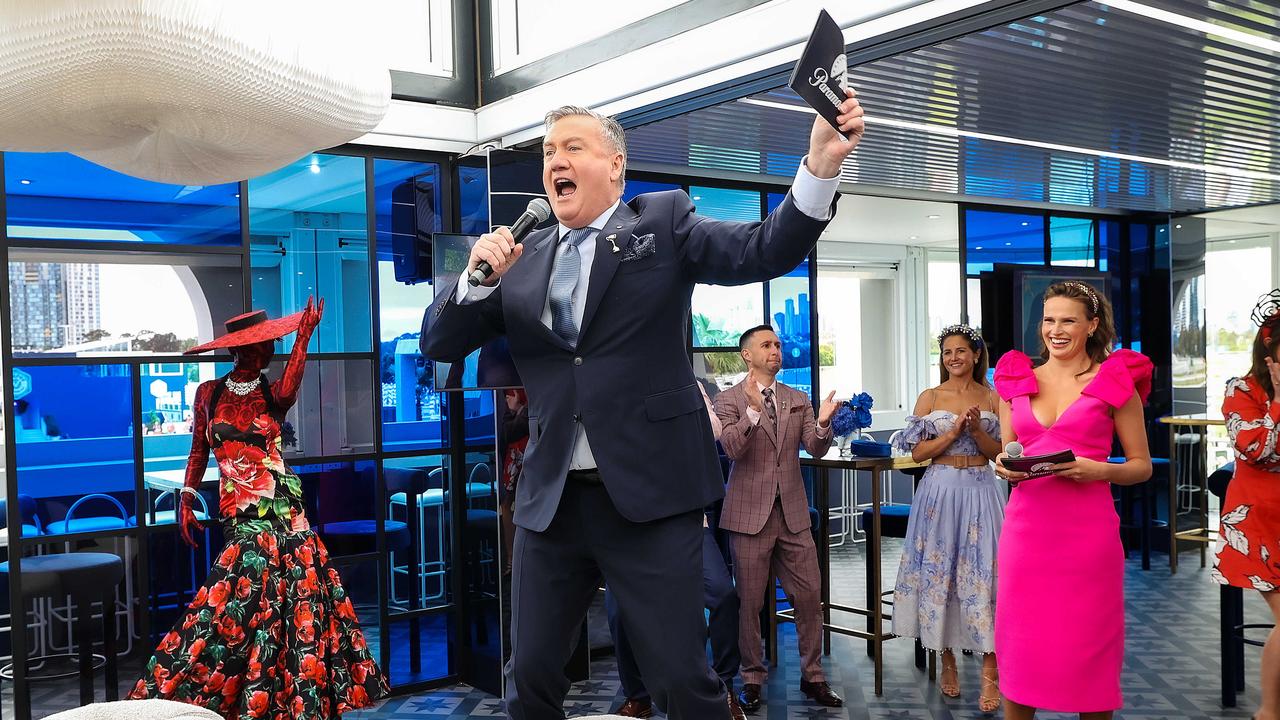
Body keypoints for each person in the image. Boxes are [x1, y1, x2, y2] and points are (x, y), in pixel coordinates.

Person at [420, 94, 863, 720]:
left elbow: (763, 249)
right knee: (529, 679)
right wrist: (474, 281)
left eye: (573, 147)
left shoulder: (662, 223)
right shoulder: (521, 263)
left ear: (616, 167)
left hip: (651, 498)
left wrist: (818, 168)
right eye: (549, 152)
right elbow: (438, 342)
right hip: (550, 503)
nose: (556, 162)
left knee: (681, 678)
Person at [129, 299, 389, 718]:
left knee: (294, 604)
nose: (269, 350)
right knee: (234, 606)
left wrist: (303, 336)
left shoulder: (273, 391)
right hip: (240, 513)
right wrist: (186, 498)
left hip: (285, 514)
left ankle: (289, 704)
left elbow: (290, 388)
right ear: (241, 349)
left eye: (271, 344)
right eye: (263, 344)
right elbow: (198, 450)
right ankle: (220, 699)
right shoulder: (208, 393)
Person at [992, 281, 1152, 719]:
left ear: (1092, 325)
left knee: (1088, 655)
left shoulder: (1114, 379)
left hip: (1087, 539)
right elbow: (1011, 450)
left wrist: (1100, 470)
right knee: (1021, 650)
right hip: (1026, 537)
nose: (1055, 330)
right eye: (1048, 319)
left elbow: (1142, 465)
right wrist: (1005, 465)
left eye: (1068, 321)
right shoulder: (1015, 379)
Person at [714, 325, 842, 711]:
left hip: (793, 515)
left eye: (778, 345)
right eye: (766, 345)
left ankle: (813, 676)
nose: (775, 350)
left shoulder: (797, 398)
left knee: (809, 597)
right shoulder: (728, 400)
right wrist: (753, 410)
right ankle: (751, 678)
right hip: (748, 516)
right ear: (747, 355)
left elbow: (816, 449)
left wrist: (822, 423)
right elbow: (732, 448)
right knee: (750, 603)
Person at [606, 383, 743, 719]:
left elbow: (713, 429)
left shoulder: (689, 385)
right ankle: (637, 696)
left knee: (723, 596)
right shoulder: (615, 386)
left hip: (686, 521)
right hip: (629, 523)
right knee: (619, 611)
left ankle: (723, 687)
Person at [891, 324, 1003, 712]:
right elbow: (919, 454)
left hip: (981, 491)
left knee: (983, 574)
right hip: (939, 491)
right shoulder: (930, 397)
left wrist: (976, 430)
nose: (953, 358)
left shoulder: (992, 396)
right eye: (946, 352)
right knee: (944, 573)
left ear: (975, 355)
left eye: (960, 351)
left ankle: (991, 672)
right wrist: (955, 430)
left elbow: (998, 453)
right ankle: (948, 658)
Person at [1212, 289, 1280, 720]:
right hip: (1259, 520)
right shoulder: (1241, 389)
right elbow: (1259, 449)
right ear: (1268, 350)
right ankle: (1269, 710)